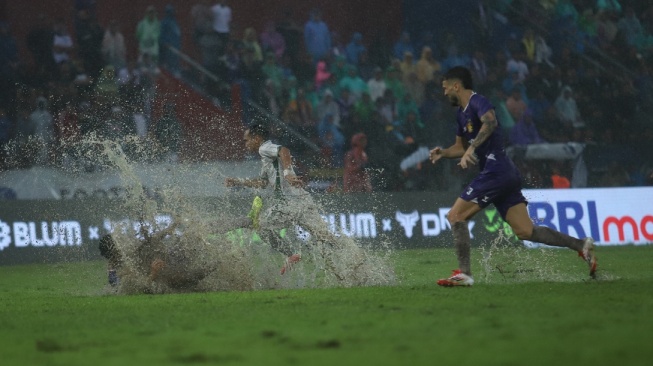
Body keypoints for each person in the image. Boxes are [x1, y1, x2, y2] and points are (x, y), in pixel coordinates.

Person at [429, 66, 597, 287]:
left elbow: (490, 122)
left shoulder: (478, 102)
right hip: (504, 174)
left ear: (456, 86)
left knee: (455, 216)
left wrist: (472, 149)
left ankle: (465, 274)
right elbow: (460, 147)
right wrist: (443, 152)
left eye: (445, 88)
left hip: (496, 171)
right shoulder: (461, 114)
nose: (444, 93)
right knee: (525, 231)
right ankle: (580, 245)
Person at [224, 124, 346, 277]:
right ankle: (350, 257)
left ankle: (291, 253)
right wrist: (238, 182)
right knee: (324, 237)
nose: (245, 144)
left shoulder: (264, 148)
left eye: (246, 140)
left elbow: (284, 150)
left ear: (257, 138)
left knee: (259, 226)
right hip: (303, 201)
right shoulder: (266, 159)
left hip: (289, 204)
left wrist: (288, 172)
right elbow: (263, 183)